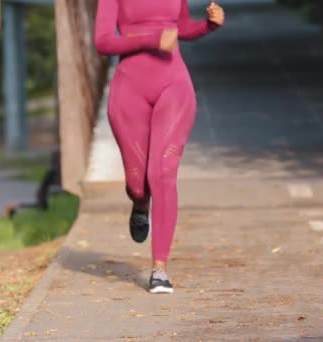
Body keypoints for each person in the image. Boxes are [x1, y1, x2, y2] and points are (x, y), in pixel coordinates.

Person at [94, 0, 225, 294]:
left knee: (162, 173)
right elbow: (103, 41)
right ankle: (141, 203)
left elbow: (180, 27)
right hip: (130, 89)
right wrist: (152, 39)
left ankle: (160, 268)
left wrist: (207, 25)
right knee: (138, 184)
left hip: (173, 83)